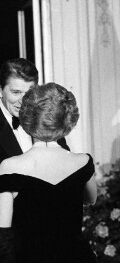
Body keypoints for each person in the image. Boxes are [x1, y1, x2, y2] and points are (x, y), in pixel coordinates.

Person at [0, 82, 97, 262]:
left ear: (27, 117)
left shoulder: (9, 167)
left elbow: (3, 235)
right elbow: (91, 199)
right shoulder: (83, 162)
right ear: (67, 119)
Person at [0, 58, 69, 165]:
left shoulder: (45, 117)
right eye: (16, 92)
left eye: (29, 93)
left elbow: (64, 163)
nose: (23, 101)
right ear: (1, 91)